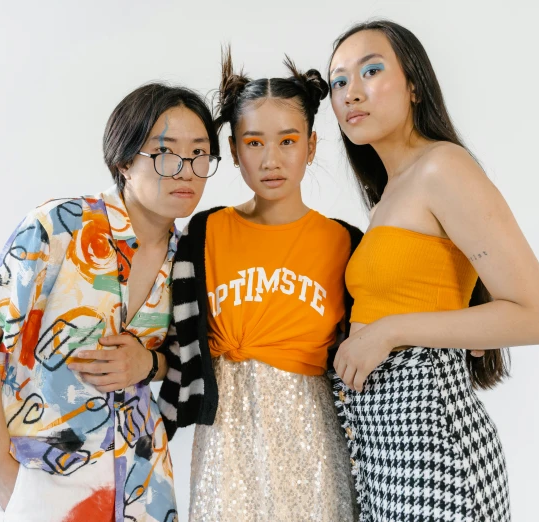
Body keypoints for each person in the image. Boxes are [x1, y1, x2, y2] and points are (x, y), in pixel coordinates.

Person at [327, 20, 539, 521]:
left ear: (414, 84)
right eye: (339, 82)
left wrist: (389, 332)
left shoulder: (442, 168)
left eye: (371, 70)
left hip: (431, 442)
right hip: (386, 442)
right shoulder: (390, 193)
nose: (352, 93)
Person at [0, 83, 220, 522]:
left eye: (199, 154)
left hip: (139, 482)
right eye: (166, 153)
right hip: (38, 470)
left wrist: (147, 365)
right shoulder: (58, 227)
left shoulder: (190, 259)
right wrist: (1, 466)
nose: (186, 170)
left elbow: (183, 361)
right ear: (124, 160)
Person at [157, 51, 360, 521]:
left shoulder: (346, 243)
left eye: (288, 141)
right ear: (232, 151)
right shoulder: (204, 234)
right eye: (253, 143)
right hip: (225, 439)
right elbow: (171, 336)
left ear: (311, 146)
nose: (271, 160)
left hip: (314, 441)